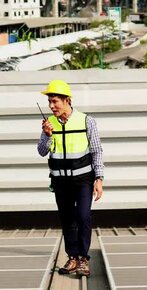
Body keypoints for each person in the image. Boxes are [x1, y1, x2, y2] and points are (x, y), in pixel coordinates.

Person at [37, 79, 104, 277]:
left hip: (83, 180)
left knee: (83, 217)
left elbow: (97, 150)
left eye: (55, 101)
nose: (51, 106)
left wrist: (99, 178)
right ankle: (72, 257)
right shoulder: (49, 123)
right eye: (49, 102)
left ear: (67, 100)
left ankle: (83, 258)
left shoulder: (86, 121)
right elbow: (41, 151)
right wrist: (47, 135)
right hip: (60, 181)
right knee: (67, 220)